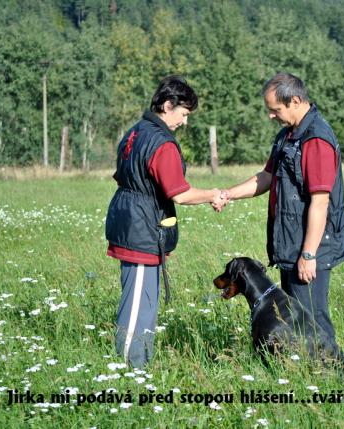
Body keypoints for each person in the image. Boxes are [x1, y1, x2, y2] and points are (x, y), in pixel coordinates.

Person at [223, 72, 344, 357]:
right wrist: (228, 194)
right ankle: (302, 369)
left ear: (295, 101)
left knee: (313, 320)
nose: (271, 116)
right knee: (296, 319)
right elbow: (267, 177)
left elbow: (320, 202)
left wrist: (308, 254)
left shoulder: (316, 139)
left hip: (309, 247)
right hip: (291, 243)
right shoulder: (288, 136)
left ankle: (338, 373)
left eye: (275, 109)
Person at [105, 76, 228, 368]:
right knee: (138, 304)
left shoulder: (136, 130)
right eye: (183, 114)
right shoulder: (162, 143)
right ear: (168, 105)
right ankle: (131, 368)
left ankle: (139, 363)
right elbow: (180, 194)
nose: (185, 122)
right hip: (141, 228)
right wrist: (212, 194)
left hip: (130, 220)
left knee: (144, 299)